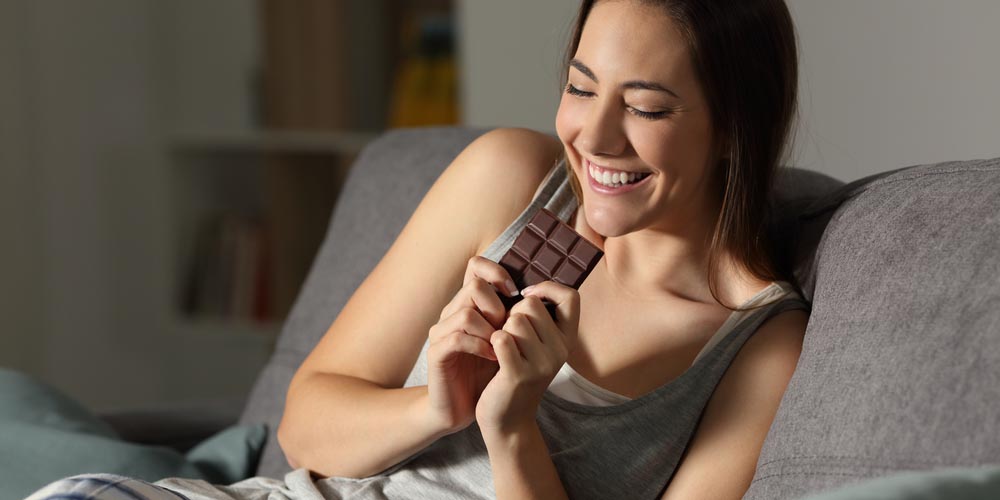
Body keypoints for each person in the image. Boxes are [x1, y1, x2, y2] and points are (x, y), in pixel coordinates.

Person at [27, 0, 807, 499]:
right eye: (579, 87)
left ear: (734, 126)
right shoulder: (515, 180)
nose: (593, 137)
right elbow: (305, 426)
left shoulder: (755, 346)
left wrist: (512, 430)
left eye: (645, 107)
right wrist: (437, 405)